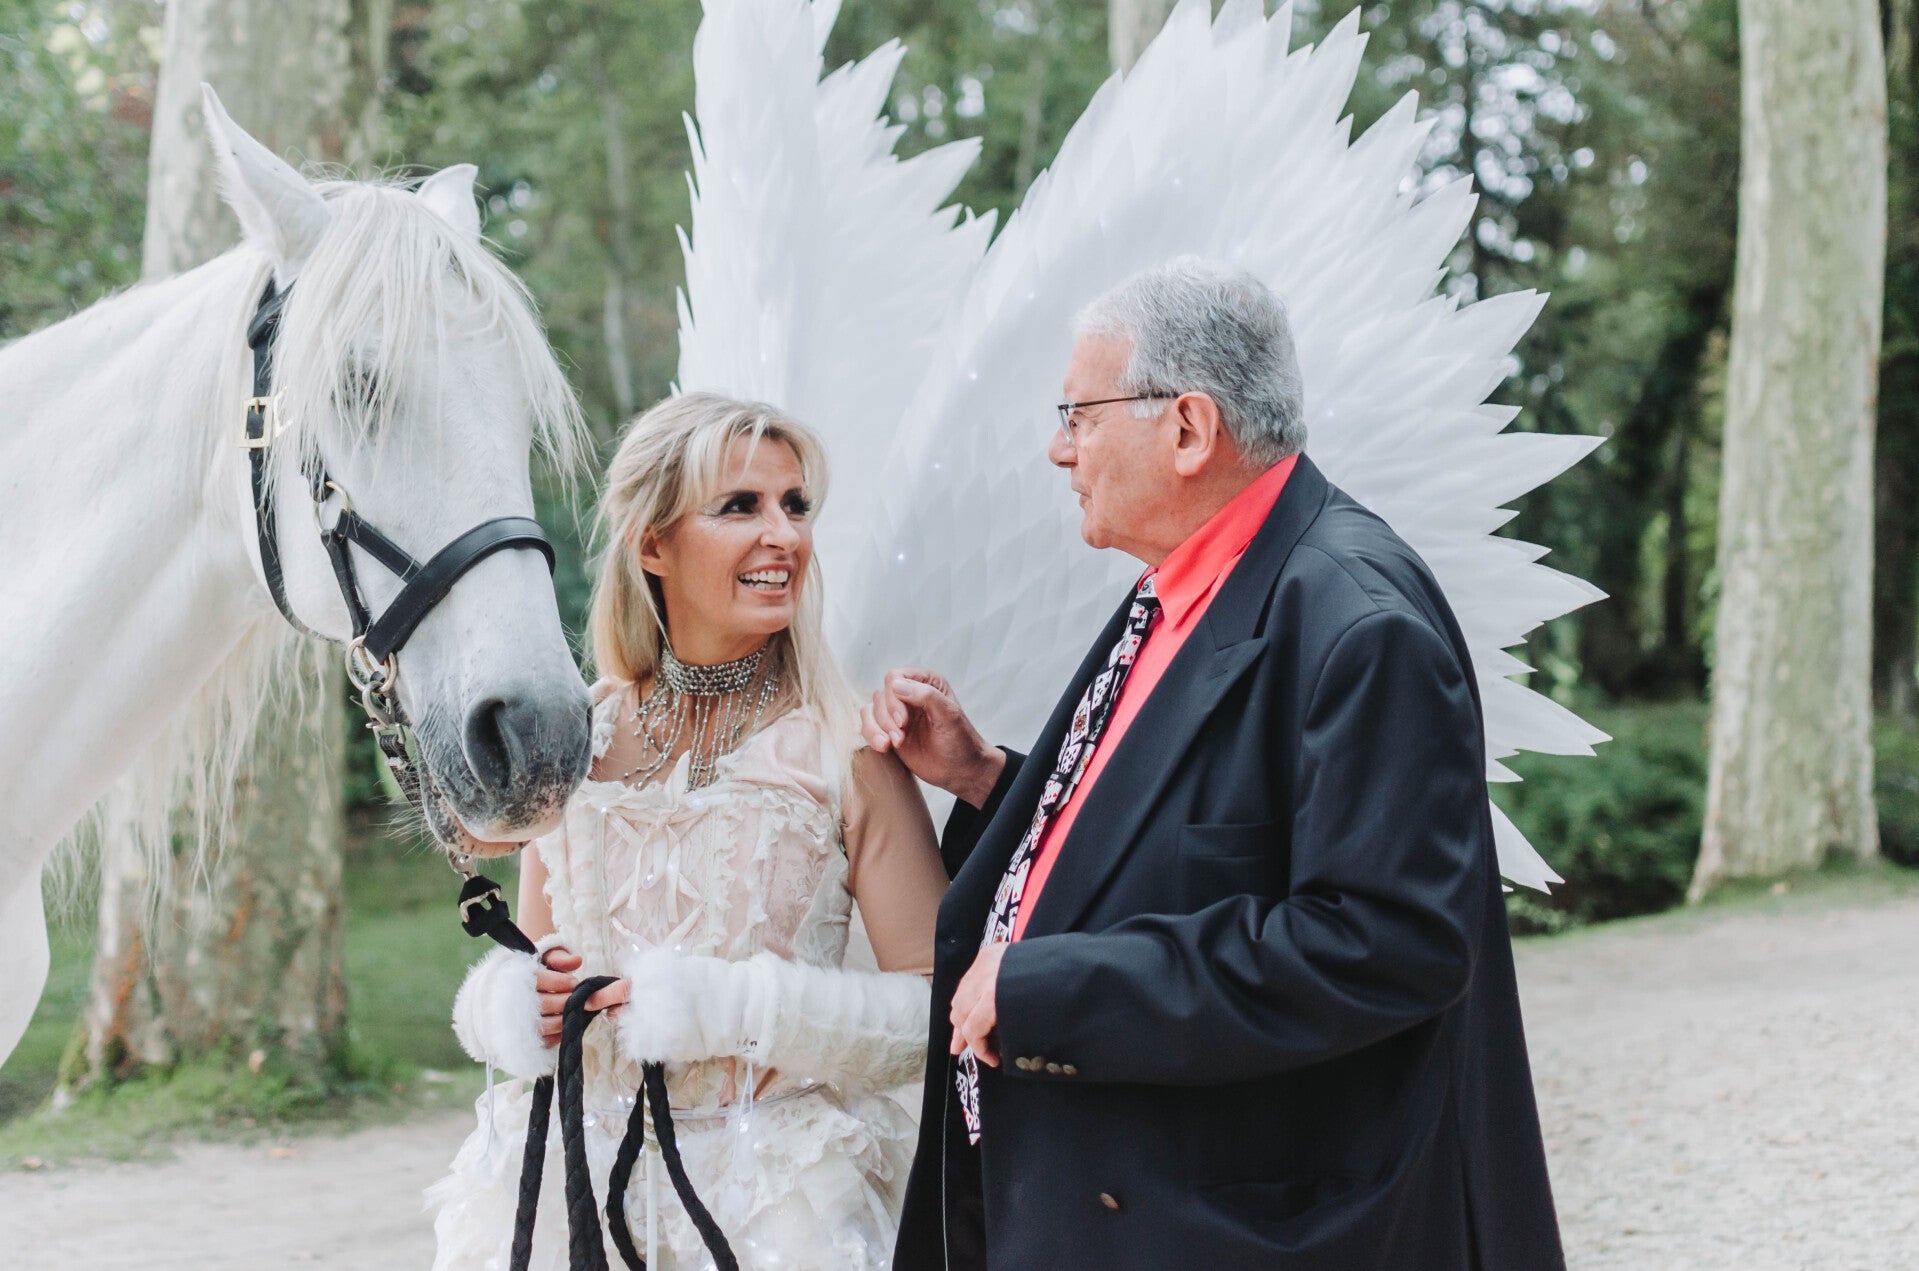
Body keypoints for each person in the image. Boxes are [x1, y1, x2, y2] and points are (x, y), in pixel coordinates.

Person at [869, 258, 1564, 1270]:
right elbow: (1187, 831)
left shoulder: (1358, 620)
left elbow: (1386, 941)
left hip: (1241, 1228)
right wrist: (987, 779)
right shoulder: (1192, 578)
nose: (1059, 448)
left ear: (1188, 429)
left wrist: (1052, 992)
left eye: (1078, 414)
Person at [428, 393, 949, 1270]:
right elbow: (543, 954)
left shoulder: (848, 749)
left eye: (794, 505)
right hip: (576, 1192)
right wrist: (515, 1004)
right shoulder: (577, 737)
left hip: (779, 1205)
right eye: (741, 505)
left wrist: (731, 1008)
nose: (783, 535)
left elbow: (935, 1011)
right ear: (652, 544)